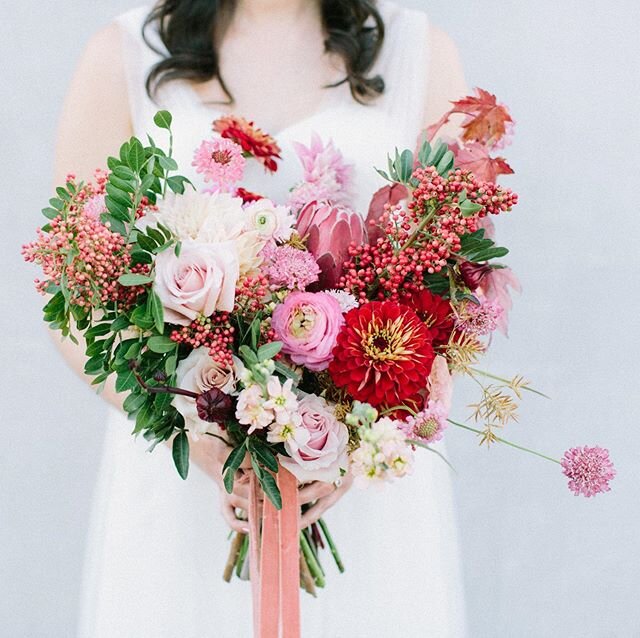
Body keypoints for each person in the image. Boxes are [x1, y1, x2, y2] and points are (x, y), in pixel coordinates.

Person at [55, 1, 468, 635]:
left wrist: (351, 446)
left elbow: (457, 288)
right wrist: (194, 438)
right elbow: (74, 302)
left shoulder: (421, 52)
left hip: (362, 478)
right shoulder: (122, 53)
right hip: (183, 472)